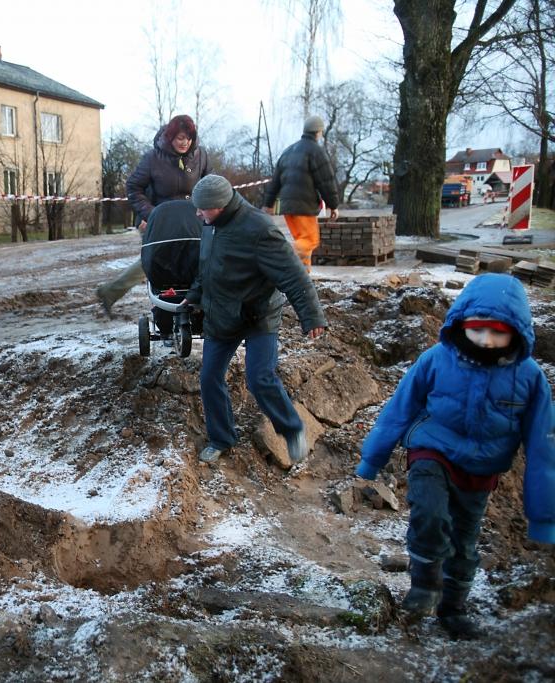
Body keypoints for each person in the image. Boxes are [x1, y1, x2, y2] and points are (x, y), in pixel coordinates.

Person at [355, 273, 555, 640]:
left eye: (498, 333)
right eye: (478, 330)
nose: (486, 340)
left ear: (517, 332)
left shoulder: (528, 378)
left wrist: (543, 516)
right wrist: (372, 459)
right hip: (432, 449)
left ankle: (453, 608)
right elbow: (399, 409)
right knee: (429, 512)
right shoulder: (436, 359)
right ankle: (424, 583)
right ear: (462, 322)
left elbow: (544, 449)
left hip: (481, 469)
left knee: (464, 539)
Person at [184, 174, 326, 466]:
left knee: (260, 378)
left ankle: (292, 430)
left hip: (258, 314)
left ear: (221, 205)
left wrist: (311, 316)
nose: (197, 213)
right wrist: (195, 295)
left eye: (203, 208)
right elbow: (206, 268)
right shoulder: (211, 226)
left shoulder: (259, 229)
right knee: (210, 377)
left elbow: (293, 274)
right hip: (222, 314)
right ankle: (222, 438)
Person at [96, 114, 210, 316]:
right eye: (180, 138)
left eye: (188, 138)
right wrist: (150, 214)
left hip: (190, 220)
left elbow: (211, 184)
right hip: (158, 221)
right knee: (155, 260)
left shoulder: (200, 156)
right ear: (170, 137)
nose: (185, 143)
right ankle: (114, 293)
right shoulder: (153, 158)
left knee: (197, 256)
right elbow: (133, 186)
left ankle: (191, 301)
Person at [261, 115, 340, 270]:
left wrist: (268, 204)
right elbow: (326, 181)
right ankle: (283, 255)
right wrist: (333, 205)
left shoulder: (288, 151)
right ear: (318, 132)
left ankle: (304, 276)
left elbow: (275, 180)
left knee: (302, 242)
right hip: (304, 205)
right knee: (310, 240)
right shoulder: (316, 151)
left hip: (287, 207)